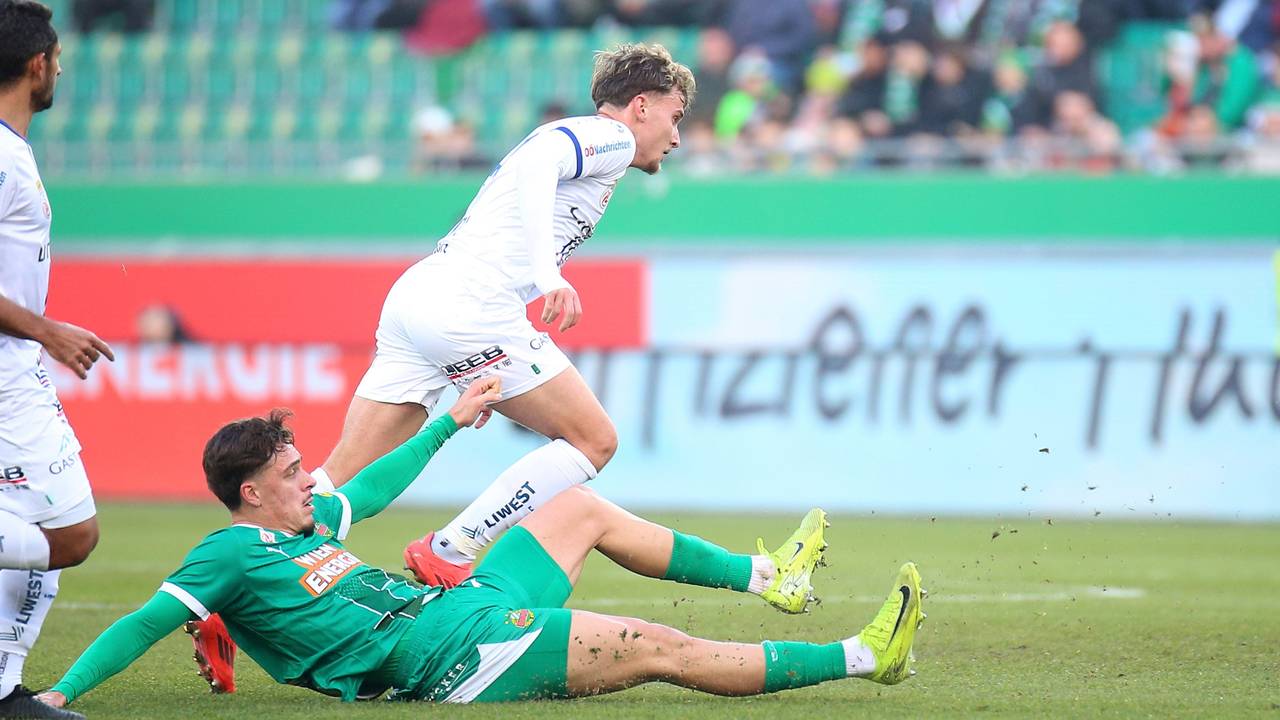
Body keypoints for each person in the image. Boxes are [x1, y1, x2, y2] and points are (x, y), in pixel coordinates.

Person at [35, 378, 927, 710]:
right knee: (661, 649)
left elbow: (374, 487)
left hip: (459, 608)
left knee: (579, 505)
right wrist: (61, 697)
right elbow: (142, 623)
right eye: (298, 471)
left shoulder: (302, 527)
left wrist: (452, 425)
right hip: (450, 658)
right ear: (251, 492)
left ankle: (768, 578)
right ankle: (860, 656)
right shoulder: (229, 554)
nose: (314, 481)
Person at [0, 3, 113, 718]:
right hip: (7, 378)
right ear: (38, 63)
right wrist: (45, 330)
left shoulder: (15, 150)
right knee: (70, 535)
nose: (63, 68)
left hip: (17, 370)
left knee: (39, 527)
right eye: (59, 55)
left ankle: (4, 691)